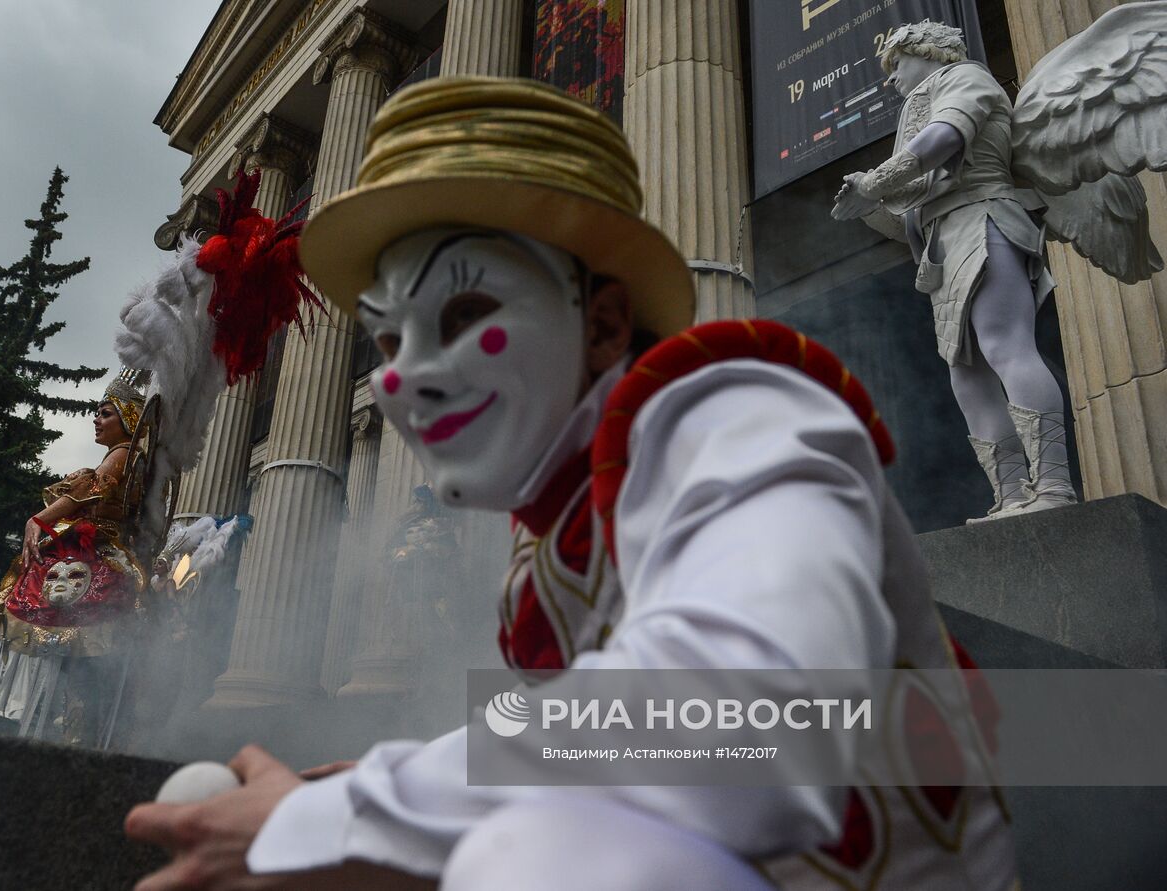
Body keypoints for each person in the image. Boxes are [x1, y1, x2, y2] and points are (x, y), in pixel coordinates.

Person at [125, 77, 1015, 890]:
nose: (401, 378)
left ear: (605, 322)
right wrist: (375, 793)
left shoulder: (741, 416)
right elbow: (582, 742)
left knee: (542, 853)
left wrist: (324, 820)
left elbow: (749, 732)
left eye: (467, 312)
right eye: (387, 341)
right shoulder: (549, 540)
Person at [832, 21, 1071, 523]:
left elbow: (944, 137)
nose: (891, 80)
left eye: (897, 65)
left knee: (1006, 344)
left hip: (983, 218)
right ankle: (1012, 496)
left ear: (928, 53)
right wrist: (869, 199)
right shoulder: (921, 101)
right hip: (944, 243)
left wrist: (877, 182)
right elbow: (912, 201)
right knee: (967, 374)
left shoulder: (965, 76)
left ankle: (1052, 486)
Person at [0, 374, 148, 746]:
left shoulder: (122, 455)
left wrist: (40, 519)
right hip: (106, 557)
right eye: (96, 414)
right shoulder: (127, 457)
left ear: (129, 421)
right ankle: (72, 731)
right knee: (79, 668)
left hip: (97, 559)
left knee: (75, 658)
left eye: (105, 414)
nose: (96, 420)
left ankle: (74, 736)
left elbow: (92, 489)